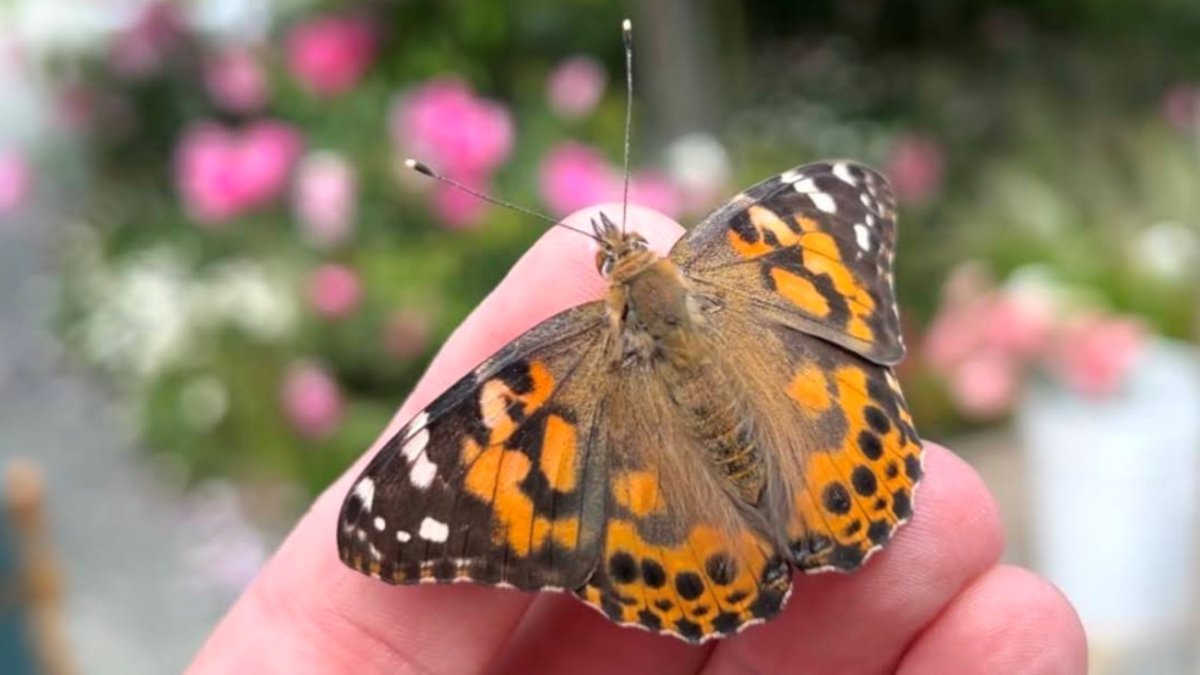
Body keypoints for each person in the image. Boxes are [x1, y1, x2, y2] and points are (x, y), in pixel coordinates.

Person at [188, 205, 1087, 674]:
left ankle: (748, 557)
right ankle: (829, 504)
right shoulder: (751, 246)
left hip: (674, 507)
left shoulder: (538, 383)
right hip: (809, 418)